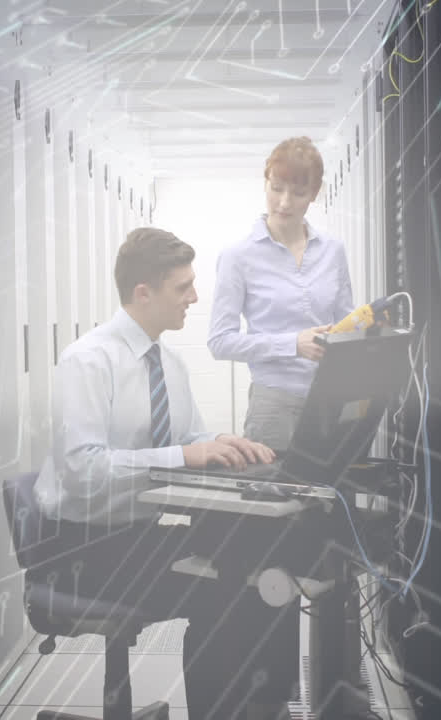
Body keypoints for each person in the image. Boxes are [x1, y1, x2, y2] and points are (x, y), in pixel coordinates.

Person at [34, 226, 296, 720]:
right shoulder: (88, 362)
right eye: (183, 287)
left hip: (138, 535)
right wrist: (183, 456)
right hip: (82, 549)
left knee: (267, 567)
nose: (194, 297)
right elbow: (80, 470)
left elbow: (189, 438)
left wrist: (220, 443)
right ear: (143, 293)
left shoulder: (169, 363)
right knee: (227, 590)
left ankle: (268, 706)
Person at [208, 136, 355, 452]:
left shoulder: (333, 252)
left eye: (298, 192)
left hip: (330, 401)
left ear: (314, 194)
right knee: (275, 497)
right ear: (265, 183)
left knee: (333, 499)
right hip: (273, 405)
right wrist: (292, 344)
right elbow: (219, 343)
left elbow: (347, 327)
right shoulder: (238, 257)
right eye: (277, 189)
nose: (285, 202)